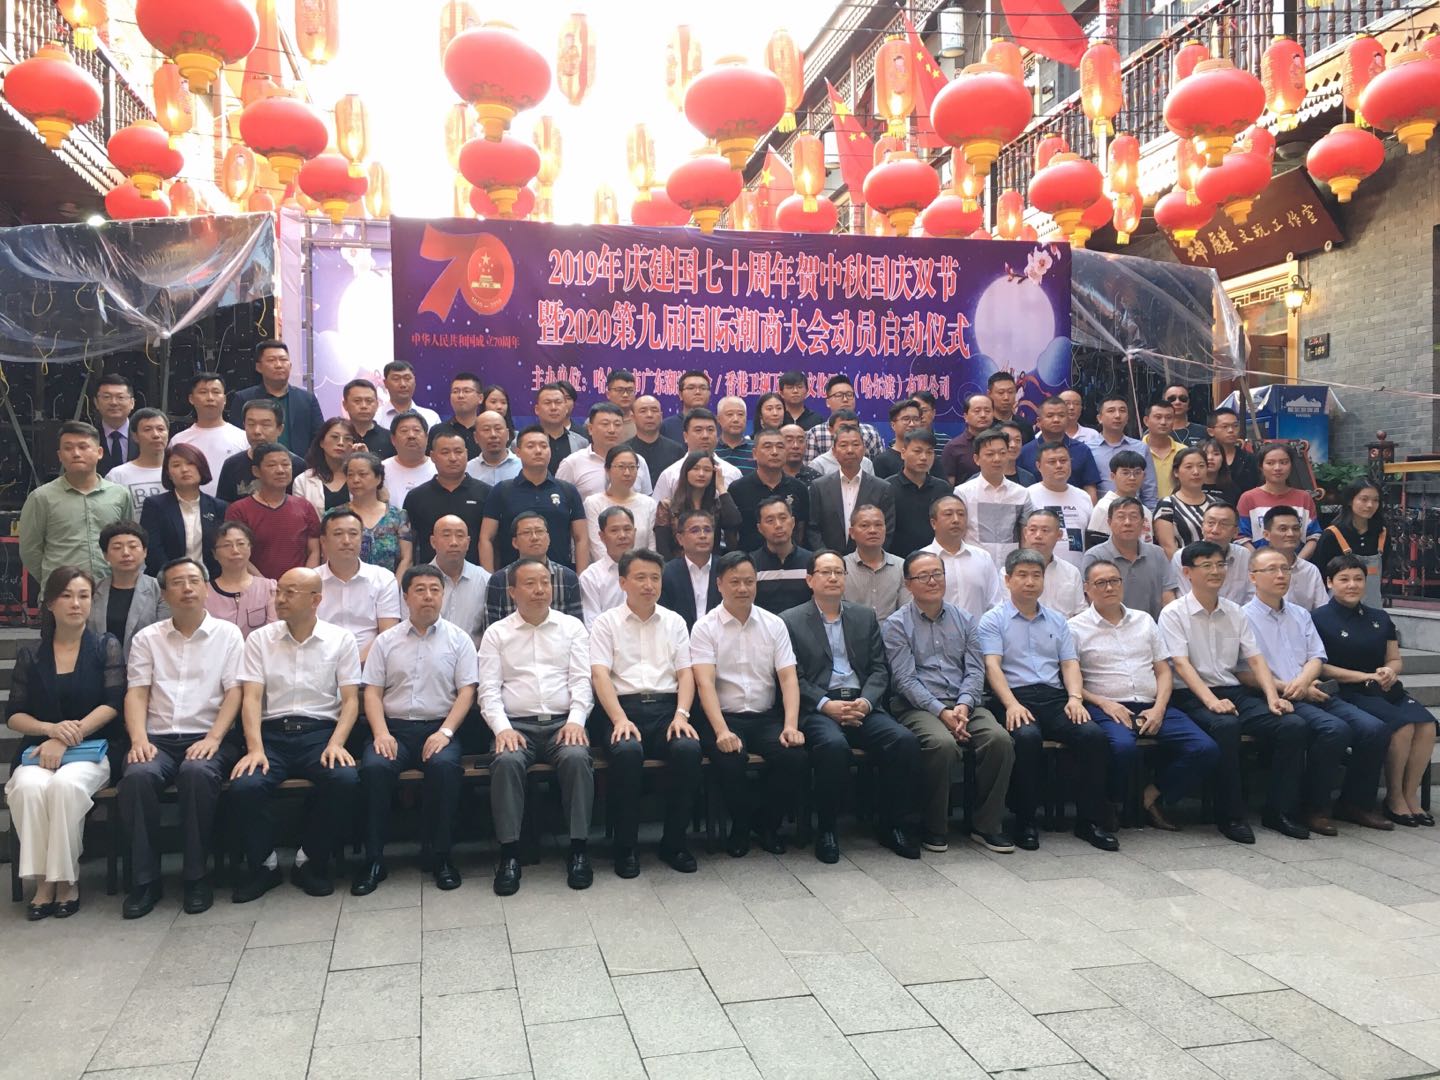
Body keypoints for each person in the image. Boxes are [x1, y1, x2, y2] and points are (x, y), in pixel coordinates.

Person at [118, 557, 244, 918]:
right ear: (164, 593)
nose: (187, 588)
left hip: (209, 736)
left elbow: (235, 692)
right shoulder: (147, 638)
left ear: (206, 589)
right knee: (137, 777)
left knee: (197, 774)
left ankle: (196, 877)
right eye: (177, 583)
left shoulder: (228, 634)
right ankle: (145, 880)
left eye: (194, 581)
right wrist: (138, 740)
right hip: (157, 739)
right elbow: (137, 692)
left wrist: (215, 738)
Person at [1159, 541, 1308, 843]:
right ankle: (1230, 816)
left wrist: (1273, 697)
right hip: (1191, 695)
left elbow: (1255, 658)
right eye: (1207, 565)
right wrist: (1211, 701)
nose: (1216, 571)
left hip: (1233, 690)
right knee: (1226, 726)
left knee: (1292, 725)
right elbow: (1181, 665)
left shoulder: (1235, 611)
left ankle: (1279, 812)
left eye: (1220, 564)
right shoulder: (1173, 613)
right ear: (1187, 573)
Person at [229, 567, 362, 901]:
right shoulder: (260, 639)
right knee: (246, 785)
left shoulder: (340, 639)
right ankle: (265, 864)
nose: (280, 599)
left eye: (290, 593)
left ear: (316, 600)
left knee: (344, 779)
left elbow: (350, 701)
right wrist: (254, 748)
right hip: (271, 734)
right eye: (279, 592)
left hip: (320, 733)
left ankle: (310, 859)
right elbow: (251, 698)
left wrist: (336, 743)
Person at [783, 550, 921, 863]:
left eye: (839, 572)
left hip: (861, 703)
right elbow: (793, 676)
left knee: (903, 741)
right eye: (825, 572)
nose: (833, 578)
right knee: (833, 747)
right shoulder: (790, 621)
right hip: (819, 707)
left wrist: (866, 702)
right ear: (810, 580)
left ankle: (893, 825)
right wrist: (825, 704)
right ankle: (827, 830)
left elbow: (879, 669)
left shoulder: (864, 616)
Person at [978, 549, 1118, 852]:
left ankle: (1089, 821)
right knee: (1027, 738)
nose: (1030, 582)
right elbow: (992, 667)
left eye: (1036, 575)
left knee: (1092, 735)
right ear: (1008, 580)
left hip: (1055, 698)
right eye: (1022, 575)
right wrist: (1012, 704)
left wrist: (1075, 698)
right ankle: (1025, 821)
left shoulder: (1057, 620)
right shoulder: (992, 620)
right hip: (1013, 697)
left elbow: (1069, 664)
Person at [1242, 547, 1388, 835]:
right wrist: (1292, 687)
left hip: (1312, 688)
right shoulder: (1242, 617)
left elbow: (1317, 657)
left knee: (1375, 729)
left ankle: (1355, 803)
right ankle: (1314, 807)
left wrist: (1305, 682)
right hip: (1275, 695)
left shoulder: (1300, 614)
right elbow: (1242, 672)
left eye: (1285, 569)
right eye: (1271, 570)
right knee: (1334, 730)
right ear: (1253, 577)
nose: (1281, 575)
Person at [5, 567, 123, 919]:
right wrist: (50, 730)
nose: (76, 603)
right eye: (67, 596)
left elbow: (113, 703)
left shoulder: (105, 646)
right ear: (50, 604)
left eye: (83, 596)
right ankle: (43, 882)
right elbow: (14, 714)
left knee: (65, 787)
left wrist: (72, 734)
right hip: (40, 749)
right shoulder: (31, 655)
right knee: (27, 787)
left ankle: (66, 880)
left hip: (93, 748)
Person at [1070, 560, 1219, 832]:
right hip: (1106, 707)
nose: (1109, 587)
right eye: (1101, 583)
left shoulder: (1144, 620)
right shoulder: (1075, 627)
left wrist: (1159, 708)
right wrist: (1103, 703)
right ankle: (1112, 803)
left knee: (1204, 748)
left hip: (1153, 704)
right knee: (1122, 749)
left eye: (1114, 581)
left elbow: (1163, 670)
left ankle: (1151, 796)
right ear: (1087, 589)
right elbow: (1070, 679)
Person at [882, 552, 1015, 853]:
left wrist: (964, 705)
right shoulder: (896, 624)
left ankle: (986, 825)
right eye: (923, 576)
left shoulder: (965, 619)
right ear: (908, 584)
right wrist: (941, 712)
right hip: (917, 706)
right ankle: (934, 826)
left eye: (937, 574)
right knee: (941, 744)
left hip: (964, 703)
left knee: (999, 740)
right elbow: (905, 680)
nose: (932, 581)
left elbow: (975, 670)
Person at [353, 565, 476, 895]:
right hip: (393, 729)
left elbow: (467, 692)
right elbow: (372, 692)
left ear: (443, 595)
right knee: (375, 769)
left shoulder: (459, 639)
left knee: (445, 767)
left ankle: (441, 856)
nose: (428, 596)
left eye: (435, 590)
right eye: (420, 590)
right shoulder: (386, 641)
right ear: (406, 597)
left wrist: (445, 733)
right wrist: (381, 733)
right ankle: (374, 859)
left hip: (439, 727)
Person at [478, 558, 594, 894]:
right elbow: (488, 690)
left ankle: (578, 850)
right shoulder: (497, 633)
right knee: (506, 761)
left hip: (562, 723)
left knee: (576, 758)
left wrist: (576, 721)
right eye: (530, 583)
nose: (540, 589)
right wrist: (502, 729)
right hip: (516, 725)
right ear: (512, 591)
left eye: (545, 582)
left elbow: (581, 680)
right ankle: (510, 854)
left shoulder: (572, 628)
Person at [589, 548, 703, 876]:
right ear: (623, 582)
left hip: (667, 708)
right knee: (627, 753)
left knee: (688, 749)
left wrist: (682, 715)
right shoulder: (605, 623)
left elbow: (686, 674)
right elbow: (600, 675)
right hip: (621, 708)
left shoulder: (674, 622)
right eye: (640, 577)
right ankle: (626, 848)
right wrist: (619, 719)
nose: (649, 585)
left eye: (655, 578)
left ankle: (674, 843)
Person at [691, 551, 806, 855]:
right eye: (735, 582)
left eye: (749, 581)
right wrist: (721, 731)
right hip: (723, 717)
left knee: (793, 757)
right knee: (730, 760)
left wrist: (790, 726)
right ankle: (740, 828)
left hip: (765, 716)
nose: (743, 588)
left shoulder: (774, 624)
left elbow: (788, 678)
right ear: (719, 584)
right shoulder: (705, 627)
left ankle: (766, 825)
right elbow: (704, 683)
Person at [1314, 554, 1437, 827]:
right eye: (1344, 579)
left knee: (1427, 725)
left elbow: (1394, 658)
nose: (1352, 585)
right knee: (1403, 727)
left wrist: (1390, 670)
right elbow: (1320, 666)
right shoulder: (1318, 619)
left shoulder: (1380, 617)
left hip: (1384, 688)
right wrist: (1364, 676)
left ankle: (1410, 795)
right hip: (1349, 691)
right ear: (1329, 582)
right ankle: (1394, 797)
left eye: (1358, 579)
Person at [19, 420, 134, 587]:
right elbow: (30, 550)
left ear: (99, 452)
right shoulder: (42, 497)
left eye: (83, 447)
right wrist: (53, 582)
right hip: (60, 593)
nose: (76, 453)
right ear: (60, 456)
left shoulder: (119, 495)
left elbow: (128, 540)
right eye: (68, 448)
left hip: (107, 591)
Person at [479, 425, 589, 572]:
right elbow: (486, 538)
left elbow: (581, 538)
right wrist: (489, 577)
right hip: (512, 577)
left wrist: (581, 577)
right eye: (531, 446)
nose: (538, 451)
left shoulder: (567, 490)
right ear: (518, 452)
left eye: (544, 446)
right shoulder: (502, 490)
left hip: (559, 577)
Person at [224, 442, 321, 580]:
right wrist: (266, 585)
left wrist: (304, 580)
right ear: (256, 471)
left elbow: (314, 551)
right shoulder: (239, 510)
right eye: (271, 465)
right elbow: (237, 553)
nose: (280, 470)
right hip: (254, 586)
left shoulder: (305, 507)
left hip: (299, 587)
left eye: (286, 464)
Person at [316, 507, 402, 662]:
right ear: (323, 541)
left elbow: (388, 633)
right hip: (321, 663)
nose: (346, 541)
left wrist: (355, 666)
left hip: (371, 665)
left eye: (353, 534)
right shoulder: (311, 581)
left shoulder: (383, 579)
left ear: (362, 539)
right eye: (338, 534)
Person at [404, 429, 491, 566]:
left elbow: (491, 540)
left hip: (474, 574)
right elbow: (410, 544)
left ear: (466, 454)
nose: (453, 458)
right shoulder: (416, 497)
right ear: (432, 456)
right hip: (429, 574)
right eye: (445, 452)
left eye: (458, 452)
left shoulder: (486, 493)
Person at [482, 512, 584, 628]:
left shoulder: (567, 577)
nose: (534, 538)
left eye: (539, 531)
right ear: (515, 542)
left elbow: (577, 627)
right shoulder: (499, 580)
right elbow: (491, 629)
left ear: (548, 538)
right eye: (526, 533)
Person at [142, 444, 228, 581]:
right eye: (176, 465)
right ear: (168, 473)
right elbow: (153, 551)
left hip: (209, 582)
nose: (184, 469)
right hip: (166, 582)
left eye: (190, 463)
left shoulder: (219, 507)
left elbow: (222, 550)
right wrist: (175, 579)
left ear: (201, 467)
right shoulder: (155, 506)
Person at [1083, 497, 1178, 620]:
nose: (1127, 522)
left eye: (1133, 517)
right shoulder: (1095, 556)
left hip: (1152, 627)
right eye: (1121, 517)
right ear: (1109, 522)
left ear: (1143, 522)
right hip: (1110, 627)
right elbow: (1092, 600)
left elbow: (1168, 596)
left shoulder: (1157, 553)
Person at [807, 425, 895, 553]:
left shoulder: (882, 488)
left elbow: (888, 530)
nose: (850, 450)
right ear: (834, 451)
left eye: (855, 444)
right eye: (843, 445)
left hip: (868, 559)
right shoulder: (819, 486)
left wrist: (870, 556)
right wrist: (826, 557)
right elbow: (813, 528)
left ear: (864, 449)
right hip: (829, 560)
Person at [230, 340, 325, 454]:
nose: (279, 365)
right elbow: (236, 438)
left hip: (299, 463)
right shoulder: (244, 398)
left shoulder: (307, 399)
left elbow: (320, 438)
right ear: (259, 367)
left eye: (283, 360)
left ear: (290, 365)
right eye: (271, 360)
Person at [89, 522, 169, 655]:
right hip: (98, 664)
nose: (126, 553)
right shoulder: (92, 590)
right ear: (105, 555)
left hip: (147, 661)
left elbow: (163, 634)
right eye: (117, 547)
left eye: (133, 546)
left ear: (145, 552)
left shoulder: (160, 590)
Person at [956, 428, 1034, 563]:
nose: (997, 459)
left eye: (1002, 453)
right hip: (974, 564)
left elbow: (1026, 536)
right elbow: (958, 534)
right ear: (976, 459)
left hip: (1010, 566)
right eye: (990, 454)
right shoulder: (963, 493)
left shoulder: (1021, 493)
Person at [730, 428, 809, 554]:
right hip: (749, 560)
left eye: (780, 447)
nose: (774, 452)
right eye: (767, 447)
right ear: (754, 453)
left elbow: (801, 530)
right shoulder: (738, 489)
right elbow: (731, 534)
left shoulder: (799, 488)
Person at [921, 495, 1002, 618]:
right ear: (933, 523)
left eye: (961, 514)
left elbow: (995, 604)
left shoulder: (983, 558)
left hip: (978, 629)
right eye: (948, 514)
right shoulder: (921, 560)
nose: (956, 520)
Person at [169, 372, 248, 497]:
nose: (210, 398)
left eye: (216, 392)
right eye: (203, 392)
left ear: (225, 399)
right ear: (191, 399)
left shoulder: (243, 438)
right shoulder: (179, 440)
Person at [1311, 479, 1387, 607]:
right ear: (1350, 501)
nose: (1370, 505)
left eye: (1375, 500)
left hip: (1373, 608)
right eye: (1364, 499)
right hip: (1337, 609)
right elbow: (1319, 575)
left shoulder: (1382, 534)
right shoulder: (1332, 535)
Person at [214, 399, 306, 505]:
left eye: (265, 425)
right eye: (251, 424)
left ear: (280, 429)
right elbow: (223, 507)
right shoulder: (232, 465)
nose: (257, 431)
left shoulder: (297, 465)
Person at [1237, 442, 1320, 557]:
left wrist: (1297, 562)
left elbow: (1313, 536)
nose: (1277, 468)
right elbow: (1242, 537)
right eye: (1270, 463)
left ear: (1291, 465)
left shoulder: (1304, 498)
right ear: (1261, 467)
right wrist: (1261, 562)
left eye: (1284, 462)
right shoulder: (1248, 498)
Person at [557, 402, 653, 498]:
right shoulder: (572, 463)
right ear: (590, 429)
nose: (612, 430)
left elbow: (646, 501)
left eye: (617, 425)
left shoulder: (638, 462)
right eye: (605, 424)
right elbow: (560, 500)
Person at [654, 451, 741, 558]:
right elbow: (662, 548)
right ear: (686, 472)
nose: (701, 474)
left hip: (712, 564)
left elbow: (734, 522)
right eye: (695, 469)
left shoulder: (716, 505)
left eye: (707, 470)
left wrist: (721, 487)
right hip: (676, 564)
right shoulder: (668, 506)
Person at [1017, 396, 1101, 500]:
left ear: (1067, 419)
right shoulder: (1025, 452)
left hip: (1074, 507)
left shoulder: (1082, 450)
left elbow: (1090, 488)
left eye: (1061, 415)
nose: (1056, 420)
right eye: (1050, 416)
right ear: (1039, 421)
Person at [653, 408, 744, 504]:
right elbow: (658, 510)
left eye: (710, 430)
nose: (705, 436)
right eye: (698, 430)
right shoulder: (670, 475)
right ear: (685, 437)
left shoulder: (733, 473)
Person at [1024, 443, 1093, 568]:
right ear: (1038, 466)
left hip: (1076, 573)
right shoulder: (1027, 495)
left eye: (1063, 460)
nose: (1059, 465)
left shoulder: (1084, 497)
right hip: (1037, 571)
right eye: (1052, 462)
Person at [884, 429, 950, 557]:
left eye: (929, 452)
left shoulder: (942, 488)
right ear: (903, 453)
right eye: (917, 451)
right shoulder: (887, 488)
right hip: (898, 560)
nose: (924, 457)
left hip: (935, 559)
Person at [205, 521, 277, 638]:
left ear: (250, 548)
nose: (235, 551)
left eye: (241, 544)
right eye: (227, 545)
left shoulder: (269, 588)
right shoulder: (204, 592)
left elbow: (274, 631)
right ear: (214, 554)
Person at [1171, 502, 1252, 604]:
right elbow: (1185, 600)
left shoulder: (1244, 555)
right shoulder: (1182, 556)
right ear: (1202, 527)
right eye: (1210, 523)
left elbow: (1251, 596)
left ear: (1235, 532)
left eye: (1224, 524)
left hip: (1238, 613)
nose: (1215, 530)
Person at [425, 514, 488, 645]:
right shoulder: (417, 581)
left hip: (473, 655)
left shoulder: (485, 580)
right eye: (446, 535)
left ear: (468, 542)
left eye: (460, 536)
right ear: (433, 542)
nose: (453, 542)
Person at [583, 445, 657, 556]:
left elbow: (652, 545)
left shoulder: (649, 504)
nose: (627, 473)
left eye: (632, 467)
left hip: (643, 565)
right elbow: (597, 546)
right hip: (606, 565)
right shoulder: (593, 503)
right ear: (607, 470)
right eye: (621, 467)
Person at [1089, 395, 1158, 507]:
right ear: (1099, 418)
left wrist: (1150, 514)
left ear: (1127, 417)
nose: (1117, 415)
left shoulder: (1141, 448)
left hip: (1134, 511)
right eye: (1111, 411)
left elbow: (1149, 490)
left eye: (1122, 411)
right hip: (1101, 511)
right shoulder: (1088, 449)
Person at [1153, 447, 1220, 558]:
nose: (1196, 472)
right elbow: (1168, 547)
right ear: (1176, 472)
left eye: (1201, 466)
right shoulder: (1167, 505)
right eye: (1189, 467)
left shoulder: (1216, 503)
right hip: (1182, 565)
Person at [659, 508, 720, 629]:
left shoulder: (726, 569)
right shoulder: (667, 573)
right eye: (695, 530)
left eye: (707, 530)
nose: (703, 536)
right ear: (680, 539)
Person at [752, 496, 813, 615]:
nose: (778, 525)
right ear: (760, 528)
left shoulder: (811, 561)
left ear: (793, 522)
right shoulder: (751, 564)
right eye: (770, 520)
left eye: (783, 518)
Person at [1258, 506, 1328, 610]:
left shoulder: (1310, 570)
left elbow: (1322, 609)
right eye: (1283, 529)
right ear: (1266, 535)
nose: (1290, 534)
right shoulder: (1255, 570)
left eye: (1295, 529)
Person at [803, 376, 886, 462]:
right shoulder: (816, 433)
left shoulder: (870, 432)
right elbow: (809, 467)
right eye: (839, 395)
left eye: (849, 395)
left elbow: (879, 466)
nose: (845, 399)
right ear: (827, 402)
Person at [844, 505, 905, 619]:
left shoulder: (902, 566)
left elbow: (906, 612)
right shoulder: (841, 567)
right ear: (852, 532)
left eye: (878, 525)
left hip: (894, 630)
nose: (873, 530)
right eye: (864, 525)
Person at [104, 407, 168, 513]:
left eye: (161, 429)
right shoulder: (117, 476)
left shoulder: (178, 471)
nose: (156, 435)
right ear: (135, 436)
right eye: (147, 429)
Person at [1021, 508, 1084, 617]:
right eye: (1033, 530)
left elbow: (1080, 613)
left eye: (1045, 530)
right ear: (1025, 533)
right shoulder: (1010, 571)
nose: (1038, 535)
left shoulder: (1071, 572)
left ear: (1059, 535)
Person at [579, 505, 634, 627]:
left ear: (634, 532)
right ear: (602, 536)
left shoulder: (650, 571)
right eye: (614, 530)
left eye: (627, 529)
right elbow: (592, 624)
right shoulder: (591, 577)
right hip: (607, 638)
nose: (622, 535)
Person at [293, 417, 357, 515]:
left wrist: (366, 463)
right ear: (322, 442)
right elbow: (300, 518)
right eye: (335, 437)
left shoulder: (360, 477)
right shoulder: (303, 480)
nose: (340, 443)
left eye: (347, 438)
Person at [1088, 450, 1155, 543]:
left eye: (1137, 473)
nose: (1132, 478)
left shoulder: (1146, 511)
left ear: (1144, 476)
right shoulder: (1103, 508)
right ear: (1113, 476)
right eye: (1125, 473)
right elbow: (1095, 546)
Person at [383, 412, 439, 506]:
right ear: (393, 439)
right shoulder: (381, 470)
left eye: (416, 430)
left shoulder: (439, 468)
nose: (411, 435)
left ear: (427, 438)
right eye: (404, 431)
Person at [625, 394, 686, 480]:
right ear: (633, 417)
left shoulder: (676, 450)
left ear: (661, 416)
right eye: (643, 411)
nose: (649, 415)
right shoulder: (624, 451)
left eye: (654, 410)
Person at [1206, 407, 1259, 504]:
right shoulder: (1202, 457)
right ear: (1211, 431)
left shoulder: (1249, 459)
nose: (1231, 430)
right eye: (1225, 426)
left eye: (1235, 426)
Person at [939, 392, 994, 485]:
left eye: (987, 411)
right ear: (966, 416)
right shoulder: (953, 447)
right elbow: (948, 486)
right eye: (977, 411)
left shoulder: (1001, 444)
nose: (983, 415)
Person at [534, 381, 589, 472]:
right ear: (537, 409)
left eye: (558, 402)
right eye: (547, 403)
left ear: (566, 408)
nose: (553, 408)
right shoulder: (522, 442)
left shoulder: (581, 443)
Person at [872, 399, 930, 480]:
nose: (912, 424)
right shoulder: (882, 461)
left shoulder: (928, 457)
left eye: (916, 419)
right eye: (906, 419)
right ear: (893, 425)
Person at [809, 410, 878, 477]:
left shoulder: (866, 463)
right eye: (842, 427)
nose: (848, 431)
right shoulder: (818, 465)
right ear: (831, 430)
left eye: (853, 427)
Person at [378, 360, 442, 430]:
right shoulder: (376, 417)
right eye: (396, 379)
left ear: (414, 381)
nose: (403, 384)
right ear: (385, 383)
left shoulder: (431, 418)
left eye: (407, 378)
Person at [1143, 400, 1187, 500]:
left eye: (1168, 418)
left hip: (1177, 506)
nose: (1163, 422)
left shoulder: (1184, 451)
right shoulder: (1136, 450)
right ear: (1146, 421)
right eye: (1158, 417)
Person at [95, 372, 137, 475]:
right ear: (96, 402)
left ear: (132, 403)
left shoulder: (143, 435)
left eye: (120, 397)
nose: (113, 402)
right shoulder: (89, 437)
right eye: (106, 397)